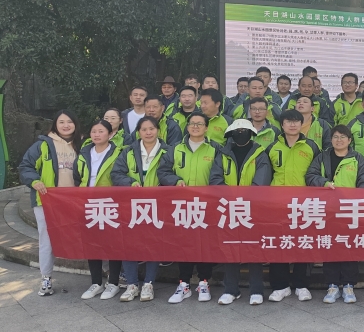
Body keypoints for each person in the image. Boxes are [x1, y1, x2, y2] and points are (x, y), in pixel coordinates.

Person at [306, 125, 364, 304]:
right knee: (330, 246)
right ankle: (332, 285)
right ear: (331, 139)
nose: (339, 140)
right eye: (335, 136)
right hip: (327, 210)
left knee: (350, 246)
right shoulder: (322, 157)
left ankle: (349, 285)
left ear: (349, 140)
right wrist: (324, 183)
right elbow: (310, 175)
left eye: (343, 137)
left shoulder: (358, 159)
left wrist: (353, 199)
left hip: (350, 210)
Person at [158, 112, 219, 304]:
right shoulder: (175, 148)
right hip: (182, 206)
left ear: (206, 128)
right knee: (184, 244)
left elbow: (220, 175)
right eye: (192, 123)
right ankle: (184, 284)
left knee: (205, 244)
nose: (195, 126)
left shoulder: (215, 149)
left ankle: (203, 282)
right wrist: (175, 180)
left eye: (200, 124)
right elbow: (163, 171)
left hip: (206, 205)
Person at [210, 120, 273, 305]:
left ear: (251, 133)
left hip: (252, 209)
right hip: (228, 208)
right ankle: (231, 290)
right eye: (237, 131)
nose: (241, 133)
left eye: (244, 130)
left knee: (253, 248)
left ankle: (256, 290)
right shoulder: (222, 154)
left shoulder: (260, 154)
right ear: (230, 134)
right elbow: (215, 178)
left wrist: (245, 199)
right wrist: (230, 198)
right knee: (230, 248)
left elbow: (261, 181)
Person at [19, 110, 81, 297]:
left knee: (90, 233)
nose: (66, 125)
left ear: (75, 124)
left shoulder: (82, 144)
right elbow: (25, 166)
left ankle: (104, 275)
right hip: (46, 200)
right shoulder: (43, 145)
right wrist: (34, 180)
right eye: (61, 122)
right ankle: (46, 277)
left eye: (69, 121)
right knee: (47, 239)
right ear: (55, 125)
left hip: (75, 201)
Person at [265, 109, 321, 302]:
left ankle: (301, 285)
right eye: (288, 121)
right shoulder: (272, 147)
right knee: (278, 243)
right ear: (282, 125)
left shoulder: (311, 147)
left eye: (296, 121)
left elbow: (317, 173)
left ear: (301, 124)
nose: (292, 124)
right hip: (277, 203)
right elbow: (266, 174)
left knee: (303, 243)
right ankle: (280, 286)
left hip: (303, 204)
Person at [111, 116, 167, 302]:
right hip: (132, 205)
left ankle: (148, 284)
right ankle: (132, 284)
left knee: (154, 244)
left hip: (158, 205)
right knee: (129, 243)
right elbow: (116, 174)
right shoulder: (128, 151)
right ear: (138, 132)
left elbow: (171, 173)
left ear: (158, 130)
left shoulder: (168, 151)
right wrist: (130, 182)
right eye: (144, 129)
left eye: (152, 129)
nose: (148, 132)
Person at [74, 120, 124, 300]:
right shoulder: (84, 153)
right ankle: (96, 282)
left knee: (112, 243)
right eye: (94, 131)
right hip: (88, 203)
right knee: (92, 243)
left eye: (101, 131)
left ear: (110, 134)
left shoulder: (119, 152)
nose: (96, 134)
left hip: (110, 203)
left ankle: (113, 283)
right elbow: (77, 177)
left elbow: (120, 175)